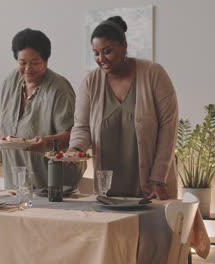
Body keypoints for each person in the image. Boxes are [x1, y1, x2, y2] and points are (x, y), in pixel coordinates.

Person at [69, 16, 178, 200]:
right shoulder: (91, 82)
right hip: (108, 190)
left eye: (107, 51)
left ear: (124, 46)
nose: (101, 59)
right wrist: (74, 149)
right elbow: (82, 126)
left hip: (152, 186)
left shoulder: (153, 74)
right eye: (96, 53)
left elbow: (168, 128)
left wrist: (158, 178)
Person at [0, 28, 85, 189]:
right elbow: (2, 114)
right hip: (16, 176)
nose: (28, 69)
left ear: (46, 61)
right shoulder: (10, 80)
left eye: (35, 63)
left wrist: (47, 142)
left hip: (51, 180)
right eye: (22, 63)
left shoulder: (59, 89)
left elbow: (74, 133)